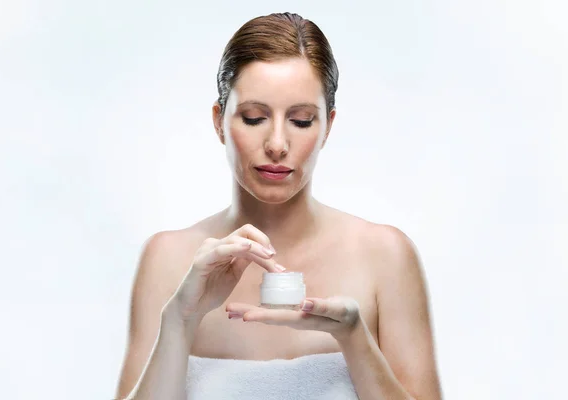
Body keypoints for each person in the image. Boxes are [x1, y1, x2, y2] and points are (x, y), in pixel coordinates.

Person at [115, 12, 442, 400]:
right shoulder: (168, 259)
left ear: (327, 127)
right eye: (254, 117)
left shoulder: (384, 256)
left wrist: (355, 340)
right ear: (219, 121)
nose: (276, 143)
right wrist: (179, 321)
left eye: (301, 121)